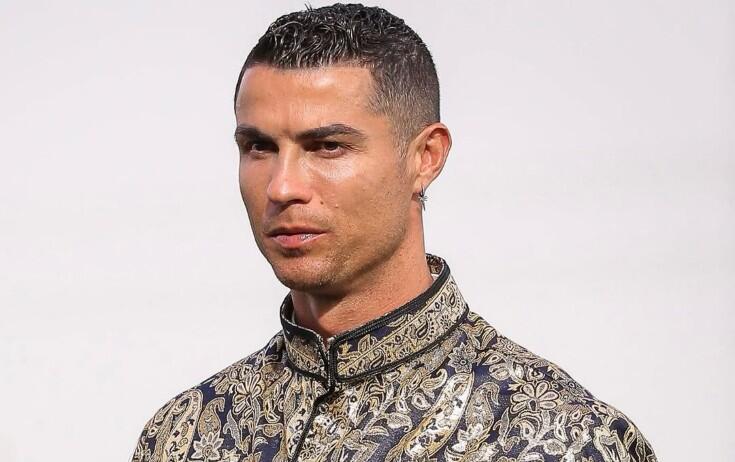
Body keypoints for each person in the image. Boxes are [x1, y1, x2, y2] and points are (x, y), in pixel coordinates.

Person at [130, 3, 657, 461]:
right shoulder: (184, 437)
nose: (283, 186)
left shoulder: (560, 440)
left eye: (328, 146)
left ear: (426, 157)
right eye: (259, 147)